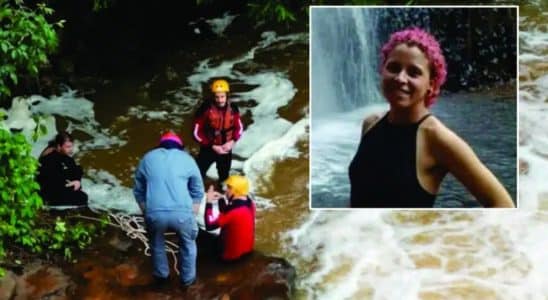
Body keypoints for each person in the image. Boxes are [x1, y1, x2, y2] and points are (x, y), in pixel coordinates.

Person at [348, 27, 514, 208]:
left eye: (414, 72)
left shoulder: (436, 137)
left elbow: (502, 204)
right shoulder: (370, 124)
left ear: (431, 85)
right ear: (383, 71)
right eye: (393, 68)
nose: (400, 78)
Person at [133, 132, 204, 286]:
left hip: (155, 213)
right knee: (188, 244)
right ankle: (188, 280)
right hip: (183, 214)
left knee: (156, 243)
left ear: (160, 145)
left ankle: (161, 276)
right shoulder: (188, 159)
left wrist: (147, 211)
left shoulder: (148, 158)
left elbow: (138, 191)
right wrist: (192, 213)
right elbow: (198, 191)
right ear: (180, 147)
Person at [193, 79, 243, 185]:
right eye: (217, 97)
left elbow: (239, 128)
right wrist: (212, 146)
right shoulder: (205, 109)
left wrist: (232, 142)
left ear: (227, 96)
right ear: (213, 97)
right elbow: (196, 132)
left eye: (222, 97)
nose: (220, 100)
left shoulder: (233, 108)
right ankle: (198, 195)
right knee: (197, 173)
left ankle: (222, 194)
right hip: (209, 148)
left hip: (225, 148)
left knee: (224, 176)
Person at [204, 175, 255, 261]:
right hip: (246, 251)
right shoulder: (250, 203)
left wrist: (208, 202)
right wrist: (221, 198)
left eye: (228, 188)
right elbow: (227, 212)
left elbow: (209, 225)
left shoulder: (233, 212)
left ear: (234, 190)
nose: (225, 190)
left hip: (230, 256)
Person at [37, 131, 88, 207]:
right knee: (82, 197)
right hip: (49, 195)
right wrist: (71, 186)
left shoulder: (65, 157)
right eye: (67, 147)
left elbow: (77, 169)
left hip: (59, 189)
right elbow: (52, 183)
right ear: (59, 146)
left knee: (81, 194)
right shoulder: (49, 159)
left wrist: (77, 180)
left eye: (71, 146)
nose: (71, 149)